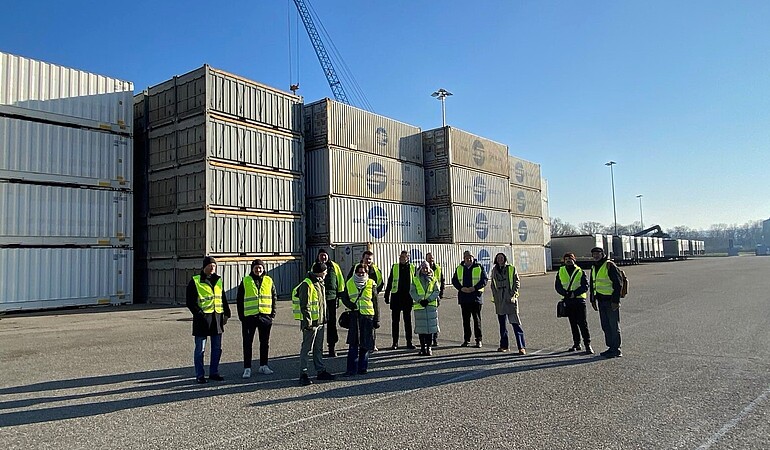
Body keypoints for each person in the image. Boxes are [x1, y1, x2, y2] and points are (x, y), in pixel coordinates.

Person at [186, 256, 231, 384]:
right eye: (210, 265)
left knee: (217, 348)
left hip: (217, 319)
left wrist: (227, 313)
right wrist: (200, 314)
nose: (212, 268)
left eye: (214, 266)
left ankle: (214, 372)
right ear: (204, 267)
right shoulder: (195, 281)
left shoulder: (218, 280)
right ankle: (200, 375)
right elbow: (190, 302)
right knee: (200, 349)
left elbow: (223, 298)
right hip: (202, 320)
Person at [292, 262, 336, 385]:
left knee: (318, 348)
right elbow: (304, 305)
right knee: (306, 348)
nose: (326, 273)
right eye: (325, 271)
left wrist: (325, 317)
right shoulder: (307, 284)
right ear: (321, 272)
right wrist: (308, 322)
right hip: (311, 323)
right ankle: (303, 373)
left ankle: (320, 370)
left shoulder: (319, 283)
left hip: (320, 321)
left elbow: (321, 303)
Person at [237, 259, 277, 379]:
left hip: (265, 316)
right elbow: (239, 300)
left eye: (260, 267)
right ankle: (247, 368)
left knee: (264, 343)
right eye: (256, 268)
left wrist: (272, 314)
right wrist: (242, 317)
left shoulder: (269, 280)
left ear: (263, 268)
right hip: (249, 317)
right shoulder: (245, 281)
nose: (258, 270)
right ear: (252, 269)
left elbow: (274, 297)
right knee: (248, 343)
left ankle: (264, 365)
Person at [340, 263, 380, 376]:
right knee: (353, 344)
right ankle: (351, 369)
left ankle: (363, 368)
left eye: (363, 272)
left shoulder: (371, 283)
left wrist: (377, 319)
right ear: (355, 272)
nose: (361, 274)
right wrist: (350, 304)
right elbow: (344, 297)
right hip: (354, 316)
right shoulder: (349, 283)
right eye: (359, 272)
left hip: (368, 316)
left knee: (365, 344)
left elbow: (376, 302)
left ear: (367, 273)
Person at [555, 253, 593, 355]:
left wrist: (574, 293)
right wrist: (566, 294)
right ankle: (577, 343)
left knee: (582, 323)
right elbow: (558, 286)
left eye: (570, 259)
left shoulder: (580, 271)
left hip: (579, 300)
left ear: (574, 260)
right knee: (573, 324)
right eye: (566, 259)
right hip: (568, 300)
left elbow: (585, 286)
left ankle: (587, 344)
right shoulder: (561, 271)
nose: (568, 260)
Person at [590, 247, 623, 358]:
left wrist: (615, 300)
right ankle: (610, 347)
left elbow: (618, 284)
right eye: (594, 254)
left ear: (602, 254)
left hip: (610, 300)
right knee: (605, 325)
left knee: (614, 325)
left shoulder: (610, 265)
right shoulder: (594, 266)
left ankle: (616, 349)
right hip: (600, 300)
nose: (596, 255)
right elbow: (593, 284)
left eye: (598, 253)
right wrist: (592, 299)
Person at [490, 253, 526, 355]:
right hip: (499, 301)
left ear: (505, 259)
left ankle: (521, 346)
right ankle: (504, 346)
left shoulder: (511, 269)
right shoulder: (494, 270)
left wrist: (512, 295)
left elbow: (516, 282)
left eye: (502, 258)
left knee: (516, 324)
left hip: (510, 300)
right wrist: (495, 296)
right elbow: (493, 284)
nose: (500, 260)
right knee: (502, 325)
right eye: (498, 258)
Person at [452, 250, 488, 348]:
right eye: (466, 257)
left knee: (477, 320)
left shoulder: (479, 267)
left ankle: (478, 340)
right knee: (466, 321)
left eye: (470, 257)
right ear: (464, 258)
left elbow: (484, 280)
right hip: (464, 298)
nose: (468, 259)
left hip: (476, 297)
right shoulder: (459, 268)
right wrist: (461, 288)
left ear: (473, 257)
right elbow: (454, 280)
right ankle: (466, 340)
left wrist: (474, 288)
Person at [314, 249, 346, 357]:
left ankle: (331, 347)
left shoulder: (334, 266)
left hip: (332, 299)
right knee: (319, 324)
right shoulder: (315, 266)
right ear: (318, 257)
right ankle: (318, 349)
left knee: (332, 324)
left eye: (325, 255)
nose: (323, 257)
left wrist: (340, 297)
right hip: (319, 300)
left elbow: (340, 281)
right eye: (321, 256)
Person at [384, 250, 416, 350]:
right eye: (400, 256)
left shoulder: (412, 267)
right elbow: (390, 281)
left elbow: (416, 282)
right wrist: (386, 294)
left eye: (404, 257)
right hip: (396, 297)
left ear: (408, 258)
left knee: (407, 321)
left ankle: (409, 342)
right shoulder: (395, 267)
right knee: (395, 322)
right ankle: (395, 343)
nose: (401, 258)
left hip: (408, 298)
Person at [411, 261, 440, 356]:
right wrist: (419, 300)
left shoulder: (434, 279)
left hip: (430, 306)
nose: (425, 269)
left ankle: (429, 347)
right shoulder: (415, 279)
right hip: (420, 307)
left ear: (429, 268)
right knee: (421, 329)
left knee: (430, 329)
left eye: (426, 268)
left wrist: (429, 300)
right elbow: (412, 291)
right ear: (420, 268)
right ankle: (422, 347)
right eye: (423, 268)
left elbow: (437, 291)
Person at [425, 252, 445, 347]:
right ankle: (426, 339)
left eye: (432, 258)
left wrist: (441, 295)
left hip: (435, 297)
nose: (431, 260)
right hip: (424, 298)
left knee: (434, 319)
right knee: (426, 319)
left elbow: (442, 281)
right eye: (429, 258)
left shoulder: (438, 268)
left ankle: (435, 339)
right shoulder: (422, 269)